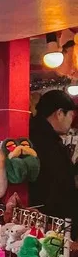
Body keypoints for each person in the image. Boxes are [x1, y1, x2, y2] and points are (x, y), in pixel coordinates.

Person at [30, 90, 78, 239]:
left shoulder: (36, 133)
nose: (71, 122)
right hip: (52, 224)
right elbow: (59, 181)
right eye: (71, 115)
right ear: (59, 113)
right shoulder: (46, 141)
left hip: (46, 219)